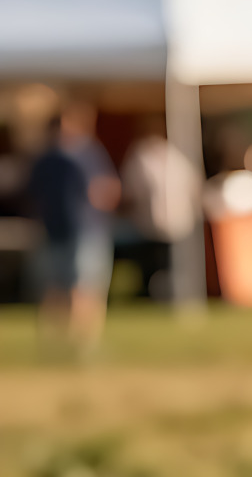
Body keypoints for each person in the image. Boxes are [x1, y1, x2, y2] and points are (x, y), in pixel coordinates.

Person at [27, 103, 119, 350]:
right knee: (54, 288)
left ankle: (85, 342)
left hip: (86, 230)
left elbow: (108, 189)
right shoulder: (46, 158)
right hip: (54, 231)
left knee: (85, 287)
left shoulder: (88, 154)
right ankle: (53, 343)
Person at [120, 127, 202, 297]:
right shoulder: (175, 156)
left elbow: (132, 192)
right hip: (166, 223)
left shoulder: (145, 157)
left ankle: (159, 292)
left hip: (161, 223)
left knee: (163, 263)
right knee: (163, 263)